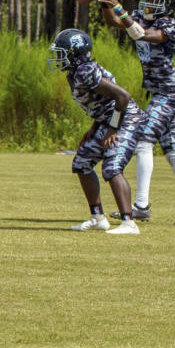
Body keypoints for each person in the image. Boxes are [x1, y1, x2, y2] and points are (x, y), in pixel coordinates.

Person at [95, 0, 175, 225]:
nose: (149, 3)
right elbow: (115, 22)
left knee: (143, 141)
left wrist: (118, 5)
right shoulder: (140, 16)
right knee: (172, 149)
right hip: (160, 93)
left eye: (155, 0)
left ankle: (141, 206)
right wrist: (105, 1)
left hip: (169, 93)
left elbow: (143, 35)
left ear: (168, 5)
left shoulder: (171, 26)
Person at [48, 29, 146, 235]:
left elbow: (123, 97)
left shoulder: (85, 71)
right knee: (82, 163)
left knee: (112, 167)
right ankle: (98, 217)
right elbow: (99, 103)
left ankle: (129, 223)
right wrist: (94, 128)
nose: (58, 57)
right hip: (107, 119)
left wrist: (112, 128)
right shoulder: (73, 74)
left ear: (75, 54)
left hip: (127, 118)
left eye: (62, 52)